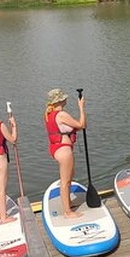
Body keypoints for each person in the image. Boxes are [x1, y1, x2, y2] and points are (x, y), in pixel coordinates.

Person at [45, 88, 85, 218]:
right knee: (66, 181)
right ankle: (68, 212)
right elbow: (82, 124)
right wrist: (81, 107)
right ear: (61, 100)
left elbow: (65, 128)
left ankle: (68, 204)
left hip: (56, 148)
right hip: (64, 149)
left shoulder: (48, 114)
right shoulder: (61, 114)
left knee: (68, 178)